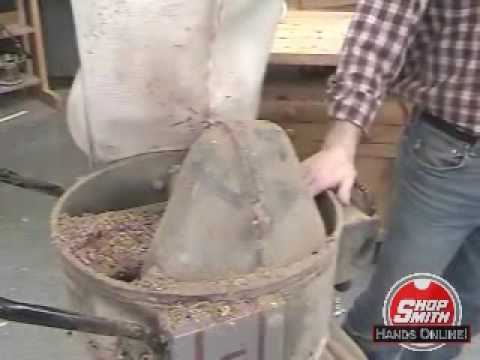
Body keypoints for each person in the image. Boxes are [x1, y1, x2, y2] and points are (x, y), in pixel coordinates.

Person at [302, 1, 480, 359]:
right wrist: (340, 144)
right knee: (398, 305)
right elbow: (380, 26)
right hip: (452, 155)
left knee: (466, 301)